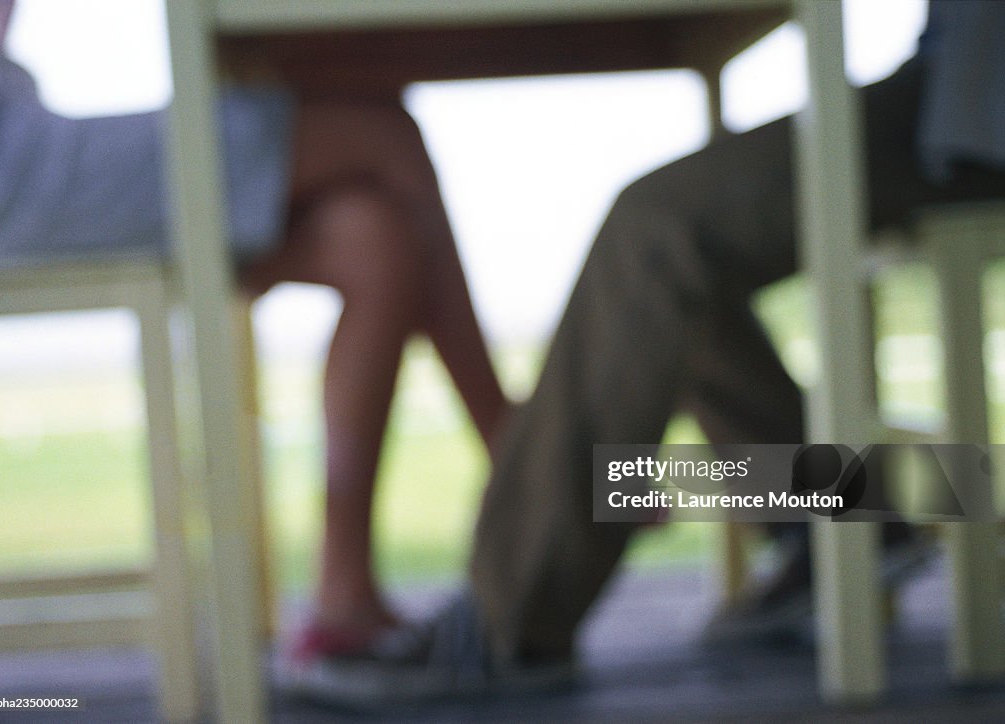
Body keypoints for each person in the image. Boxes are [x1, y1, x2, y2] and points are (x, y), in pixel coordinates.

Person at [277, 0, 1005, 703]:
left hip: (973, 102)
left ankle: (510, 621)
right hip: (954, 81)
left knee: (654, 236)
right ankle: (846, 512)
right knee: (673, 264)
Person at [0, 0, 509, 660]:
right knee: (385, 135)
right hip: (8, 172)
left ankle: (345, 593)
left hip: (16, 152)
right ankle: (521, 454)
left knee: (376, 241)